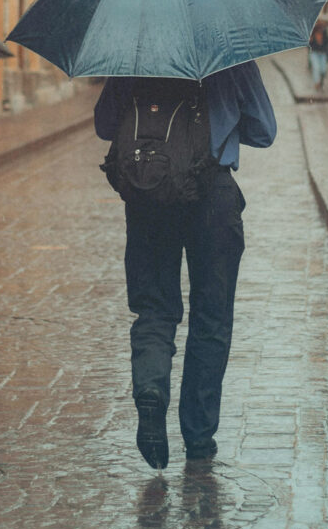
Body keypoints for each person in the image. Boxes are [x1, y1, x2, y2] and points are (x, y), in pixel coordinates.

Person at [94, 60, 276, 470]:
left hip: (149, 191)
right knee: (212, 316)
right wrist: (225, 121)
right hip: (213, 195)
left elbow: (105, 125)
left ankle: (151, 386)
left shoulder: (134, 52)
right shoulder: (230, 52)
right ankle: (198, 436)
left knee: (154, 308)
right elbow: (265, 130)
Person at [308, 22, 328, 92]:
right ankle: (317, 83)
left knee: (323, 70)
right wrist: (311, 41)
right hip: (314, 54)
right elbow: (309, 45)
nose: (320, 30)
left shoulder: (324, 34)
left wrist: (323, 45)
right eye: (319, 29)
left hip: (322, 54)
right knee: (316, 68)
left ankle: (321, 82)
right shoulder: (312, 35)